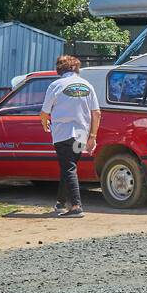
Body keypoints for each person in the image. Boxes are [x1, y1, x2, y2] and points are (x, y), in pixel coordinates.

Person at [40, 55, 101, 218]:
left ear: (60, 69)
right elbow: (96, 113)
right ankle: (60, 202)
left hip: (63, 132)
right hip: (82, 133)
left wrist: (44, 123)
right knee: (69, 165)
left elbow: (44, 112)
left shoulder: (56, 85)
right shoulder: (87, 85)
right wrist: (92, 137)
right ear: (76, 68)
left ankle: (76, 206)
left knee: (68, 167)